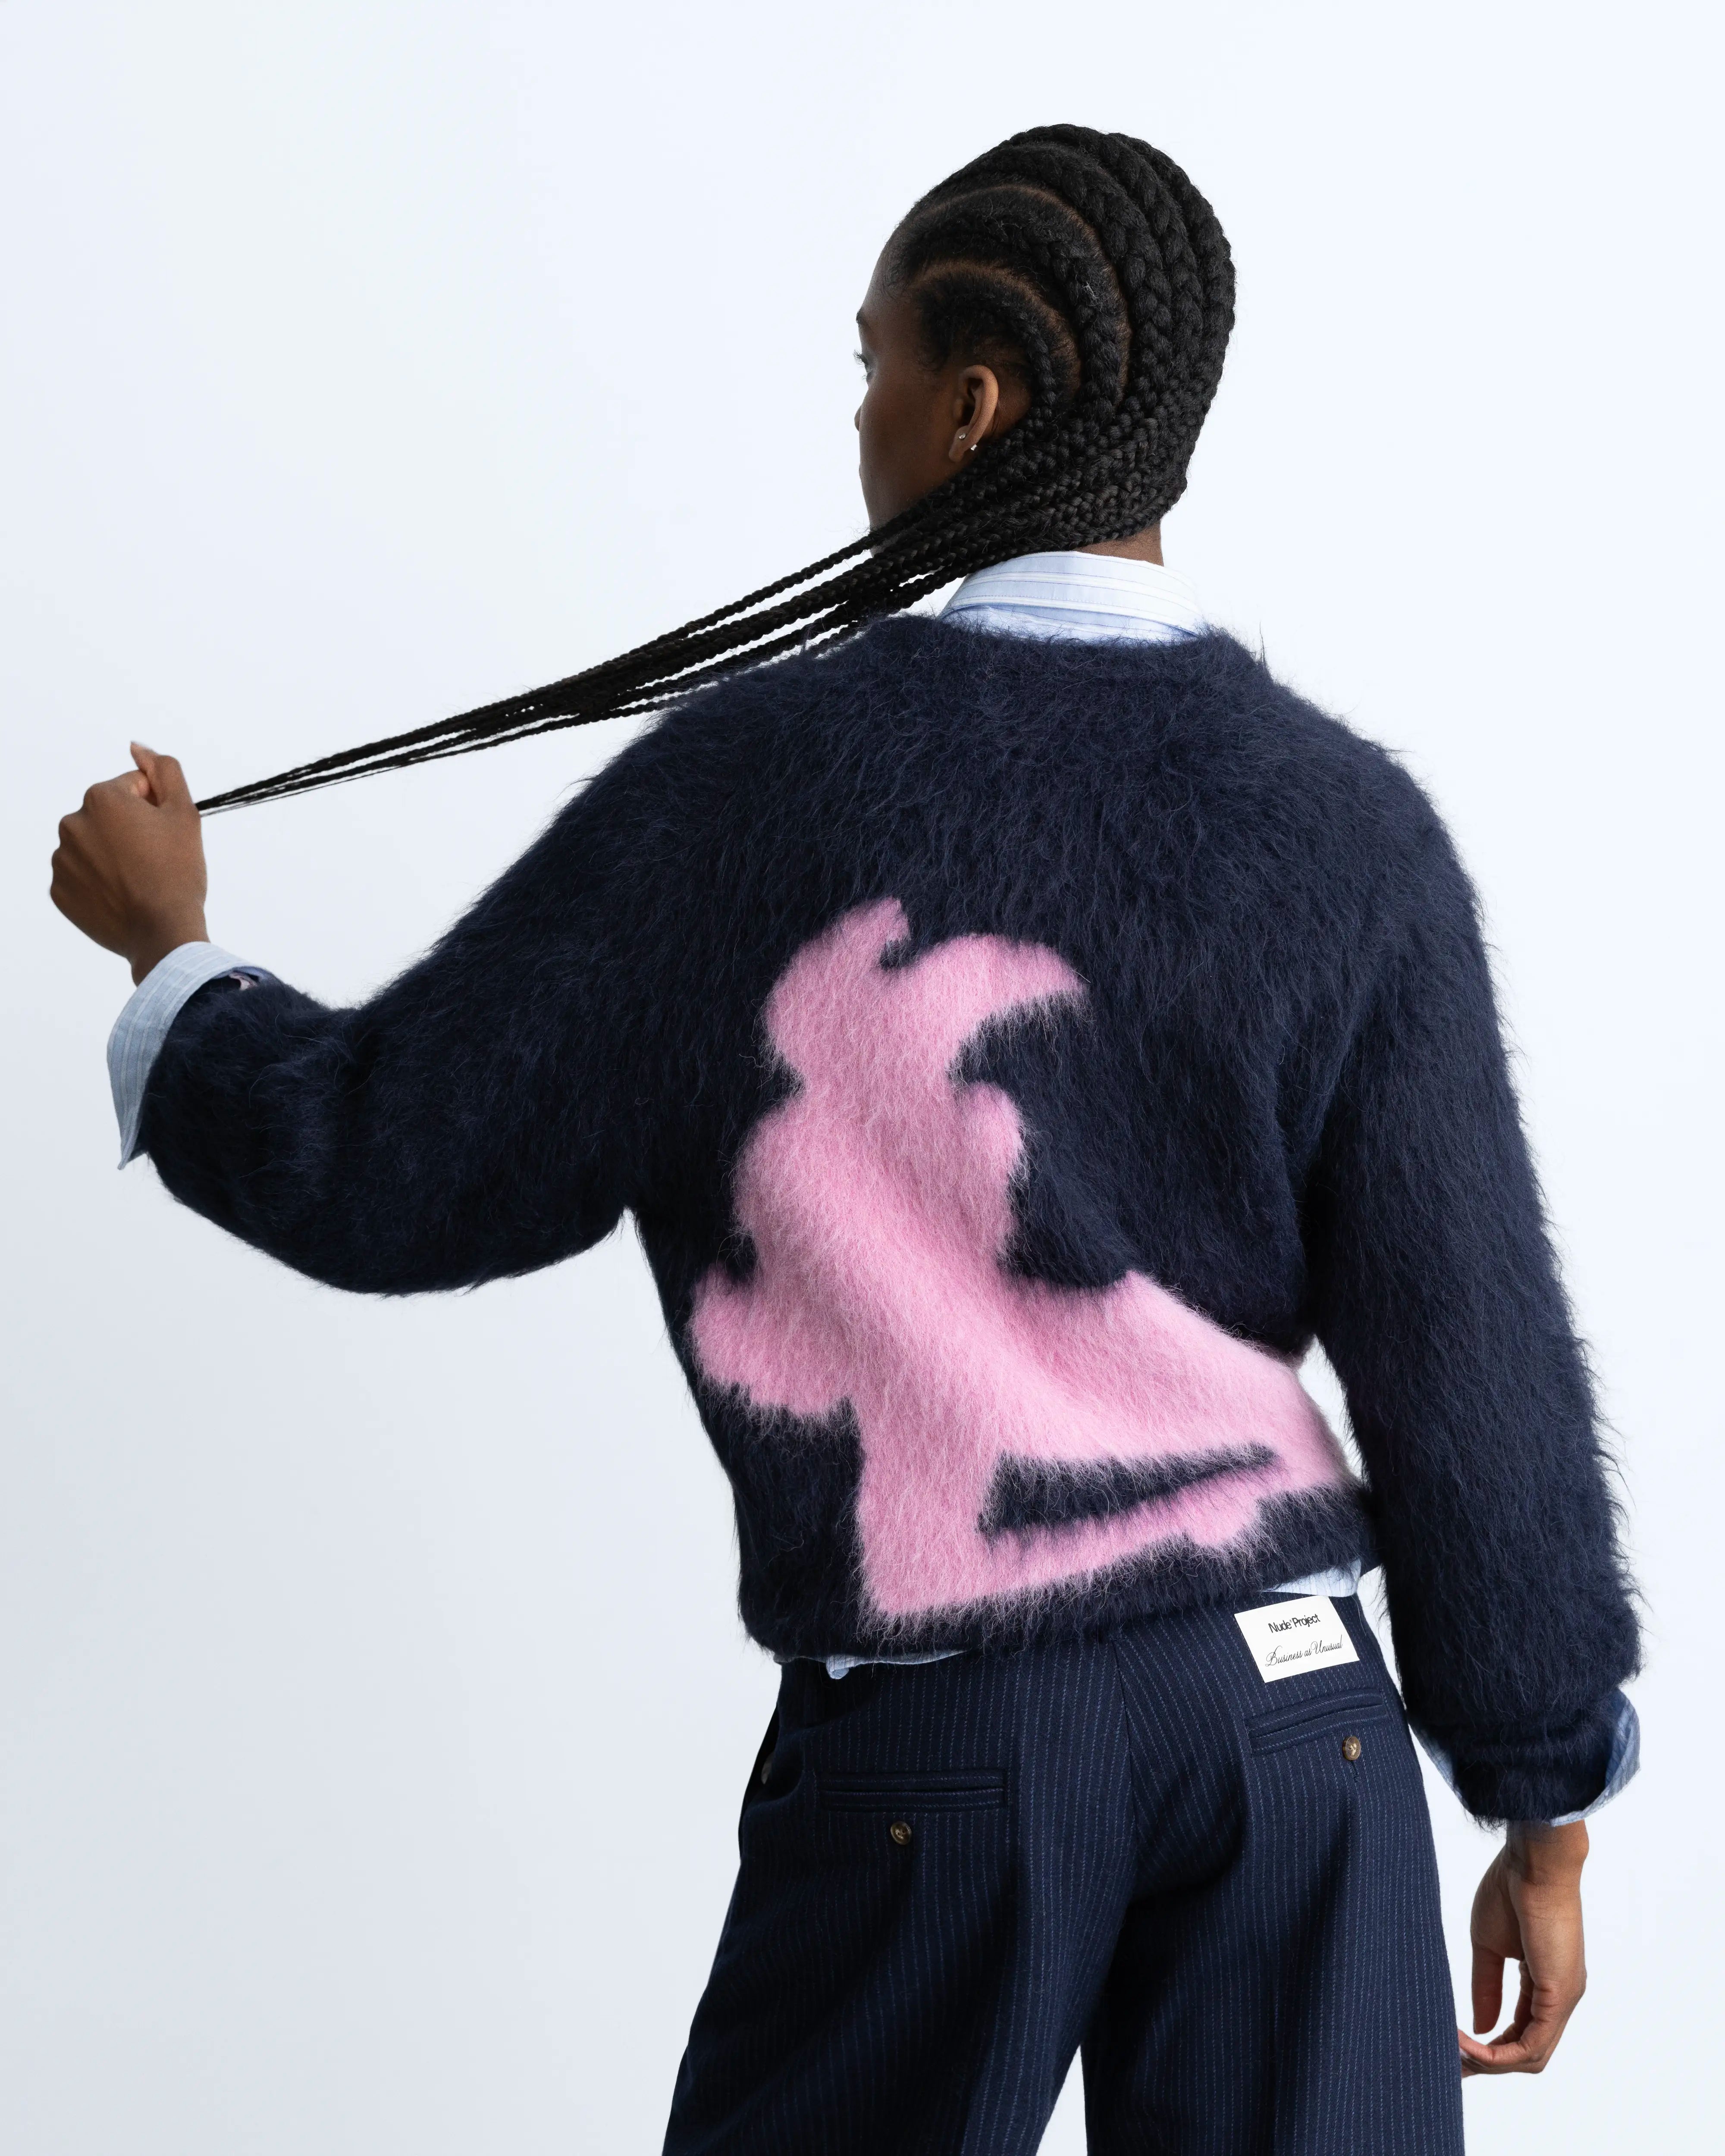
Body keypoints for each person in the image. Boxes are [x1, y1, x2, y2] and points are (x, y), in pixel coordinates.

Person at [49, 127, 1638, 2154]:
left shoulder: (748, 792)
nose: (859, 409)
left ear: (970, 406)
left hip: (956, 1739)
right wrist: (1542, 1800)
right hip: (1298, 1730)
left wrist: (173, 956)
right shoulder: (1348, 826)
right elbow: (1469, 1354)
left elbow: (394, 1162)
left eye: (869, 359)